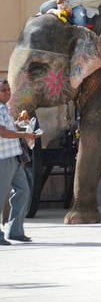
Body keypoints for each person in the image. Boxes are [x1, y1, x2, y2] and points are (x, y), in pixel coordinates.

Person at [0, 80, 39, 244]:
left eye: (8, 90)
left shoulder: (5, 108)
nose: (7, 93)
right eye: (3, 90)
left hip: (14, 157)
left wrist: (20, 124)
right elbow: (2, 132)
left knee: (23, 191)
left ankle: (15, 231)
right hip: (3, 159)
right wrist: (24, 135)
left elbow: (8, 128)